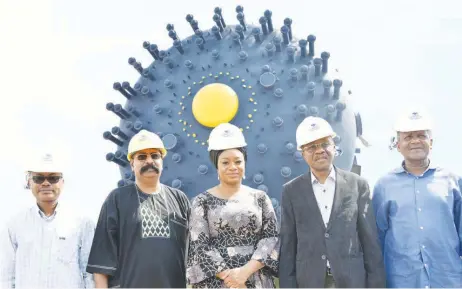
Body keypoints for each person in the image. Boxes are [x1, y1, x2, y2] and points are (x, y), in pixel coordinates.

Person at [278, 116, 386, 288]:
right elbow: (288, 248)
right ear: (302, 153)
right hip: (310, 282)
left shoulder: (357, 185)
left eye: (324, 144)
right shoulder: (291, 191)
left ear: (334, 147)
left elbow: (370, 242)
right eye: (312, 147)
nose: (320, 150)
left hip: (352, 281)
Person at [86, 129, 191, 288]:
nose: (149, 161)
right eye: (142, 157)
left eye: (155, 156)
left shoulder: (180, 199)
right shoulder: (117, 200)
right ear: (132, 164)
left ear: (162, 160)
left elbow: (195, 254)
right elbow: (101, 263)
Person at [372, 108, 462, 288]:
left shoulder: (452, 181)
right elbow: (377, 239)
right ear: (398, 145)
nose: (415, 141)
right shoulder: (384, 186)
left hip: (447, 280)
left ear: (431, 142)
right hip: (402, 281)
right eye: (408, 137)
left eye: (421, 135)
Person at [186, 123, 279, 288]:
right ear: (217, 165)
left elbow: (271, 238)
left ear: (245, 164)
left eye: (238, 161)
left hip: (256, 278)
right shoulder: (202, 201)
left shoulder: (260, 198)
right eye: (225, 162)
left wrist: (244, 273)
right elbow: (199, 245)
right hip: (217, 282)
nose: (233, 167)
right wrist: (232, 280)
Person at [0, 152, 95, 288]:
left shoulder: (82, 224)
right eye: (38, 178)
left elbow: (89, 274)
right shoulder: (15, 225)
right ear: (29, 182)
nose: (45, 183)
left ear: (63, 182)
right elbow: (6, 276)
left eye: (53, 178)